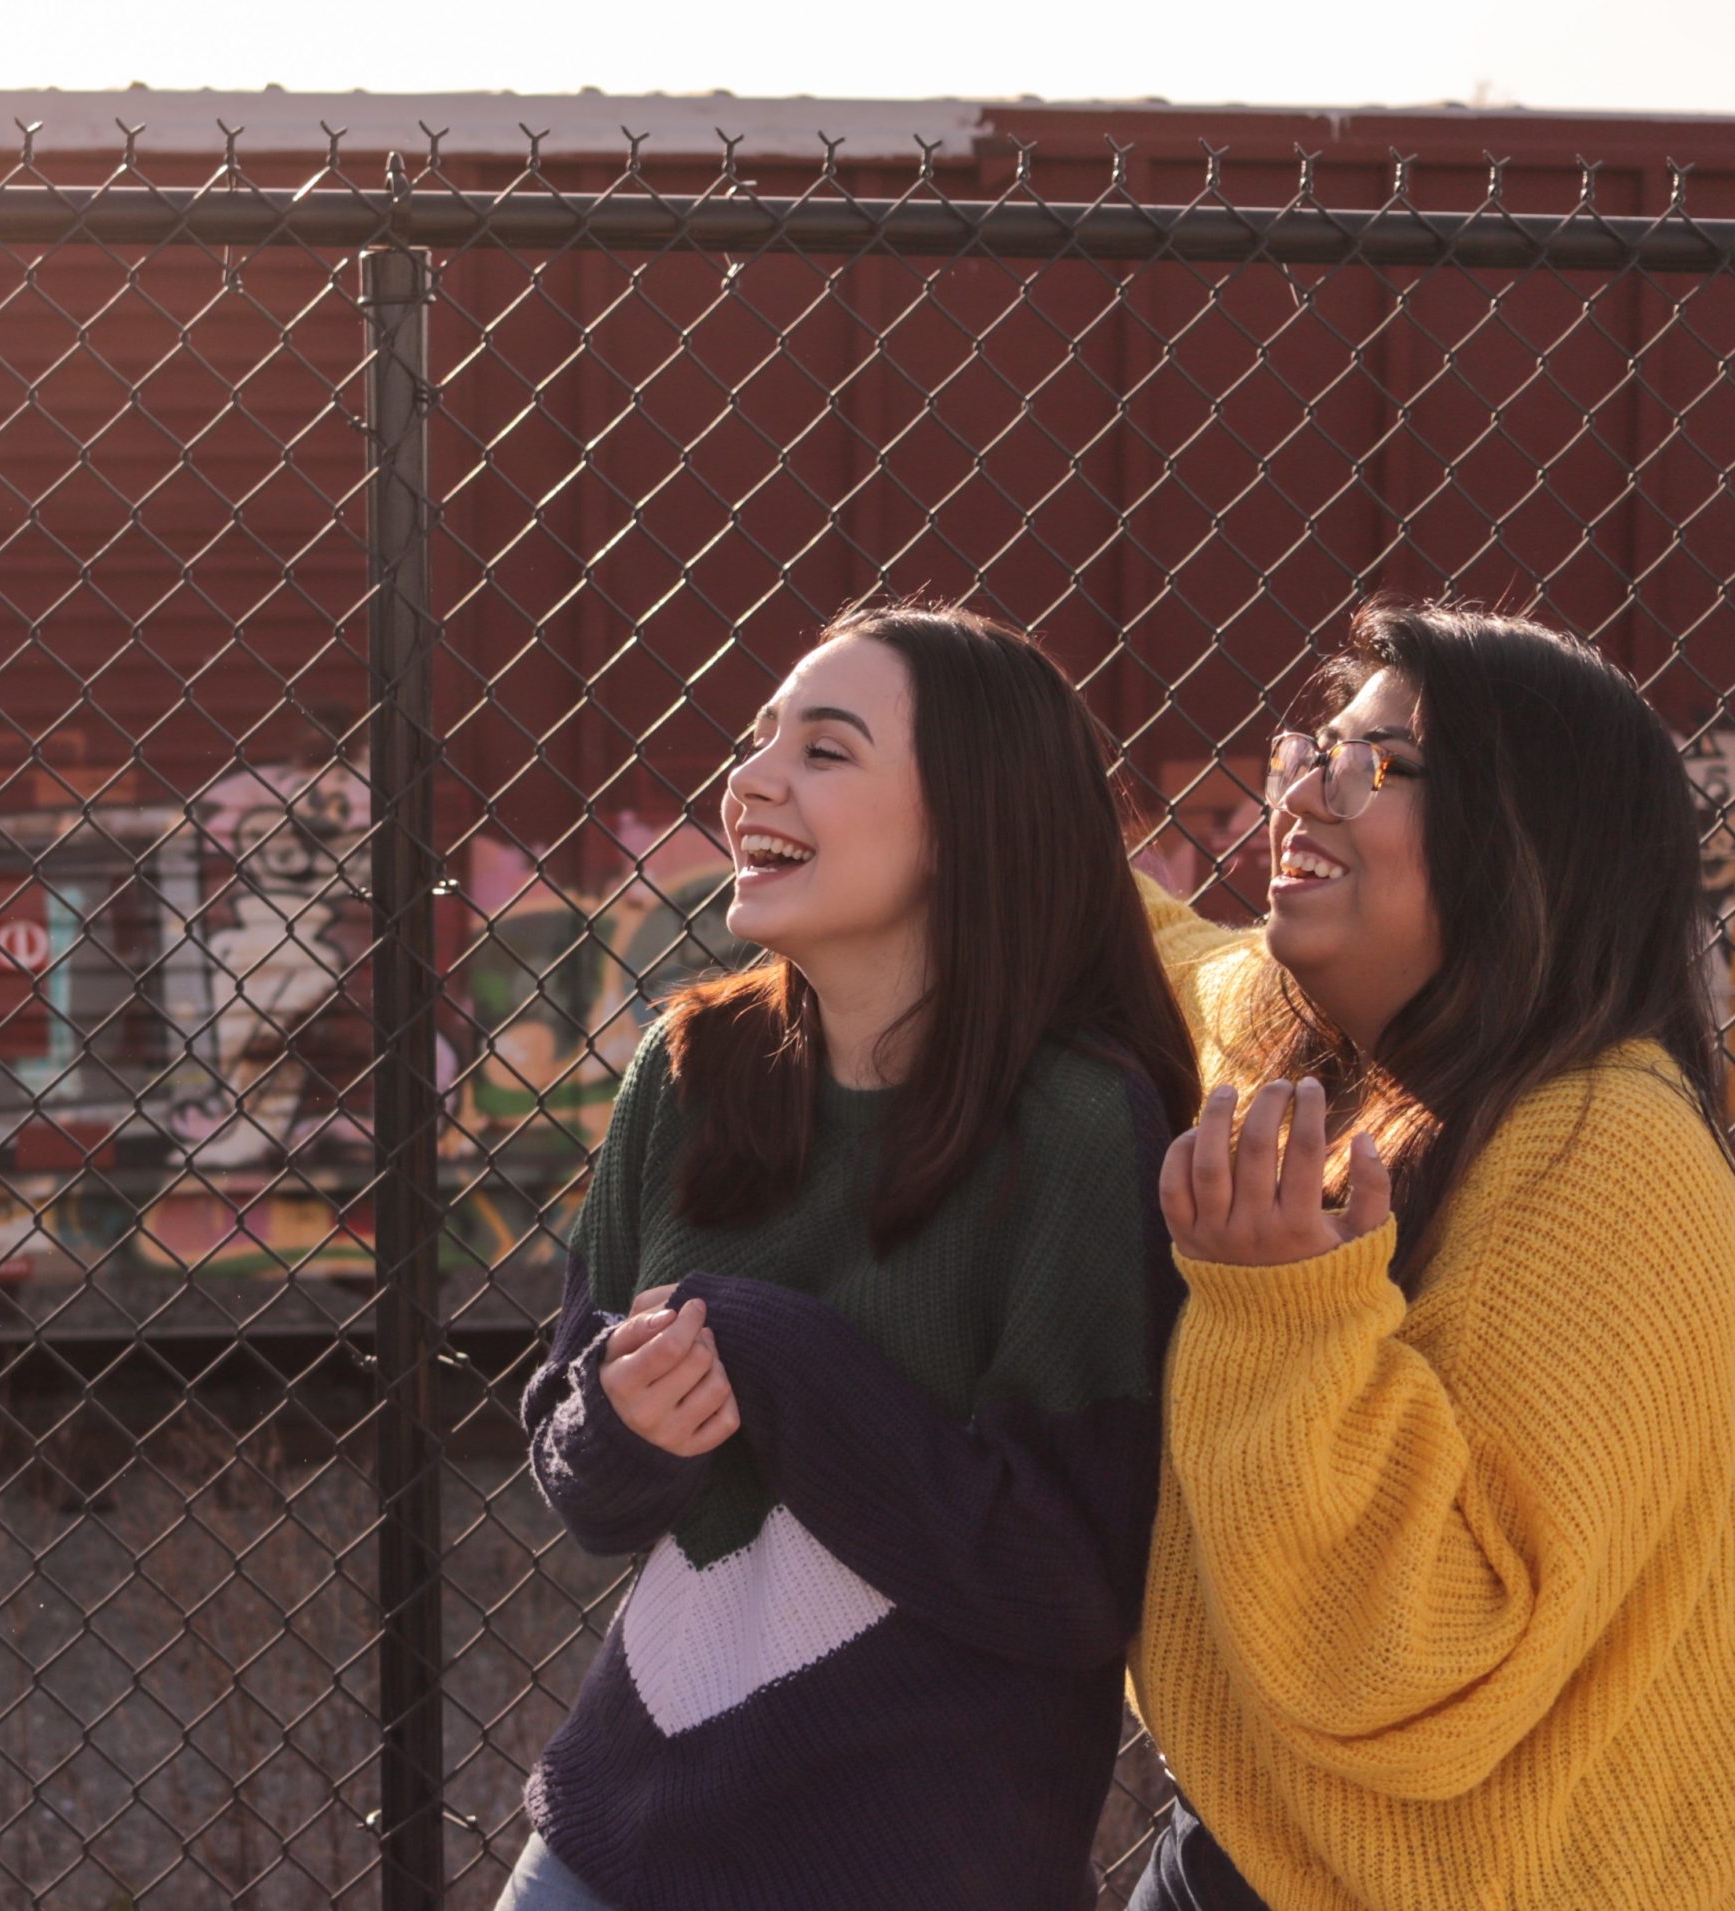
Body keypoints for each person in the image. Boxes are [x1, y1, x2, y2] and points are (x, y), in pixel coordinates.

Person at [506, 604, 1202, 1909]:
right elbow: (578, 1468)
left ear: (971, 822)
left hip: (914, 1872)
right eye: (760, 739)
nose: (751, 780)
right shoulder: (687, 1066)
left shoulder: (1077, 1125)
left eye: (824, 750)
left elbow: (1066, 1581)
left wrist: (770, 1355)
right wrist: (626, 1425)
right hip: (610, 1841)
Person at [1129, 604, 1735, 1910]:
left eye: (1381, 765)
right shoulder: (1327, 1049)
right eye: (1312, 752)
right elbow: (1163, 961)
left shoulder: (1608, 1149)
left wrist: (1286, 1316)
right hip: (1260, 1849)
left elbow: (1421, 1664)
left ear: (1532, 837)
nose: (1304, 794)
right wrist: (974, 799)